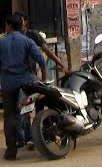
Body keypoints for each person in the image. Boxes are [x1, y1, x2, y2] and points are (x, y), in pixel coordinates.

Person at [0, 13, 46, 161]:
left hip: (8, 84)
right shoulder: (27, 41)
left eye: (6, 25)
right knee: (26, 112)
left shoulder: (0, 43)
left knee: (9, 117)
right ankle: (30, 139)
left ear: (9, 26)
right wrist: (44, 79)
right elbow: (41, 60)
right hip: (25, 82)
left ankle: (11, 151)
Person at [15, 12, 64, 149]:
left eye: (21, 21)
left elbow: (46, 53)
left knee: (40, 104)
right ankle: (28, 137)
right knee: (23, 109)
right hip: (20, 79)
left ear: (25, 22)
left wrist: (60, 64)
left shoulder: (32, 36)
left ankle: (41, 133)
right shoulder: (12, 37)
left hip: (31, 76)